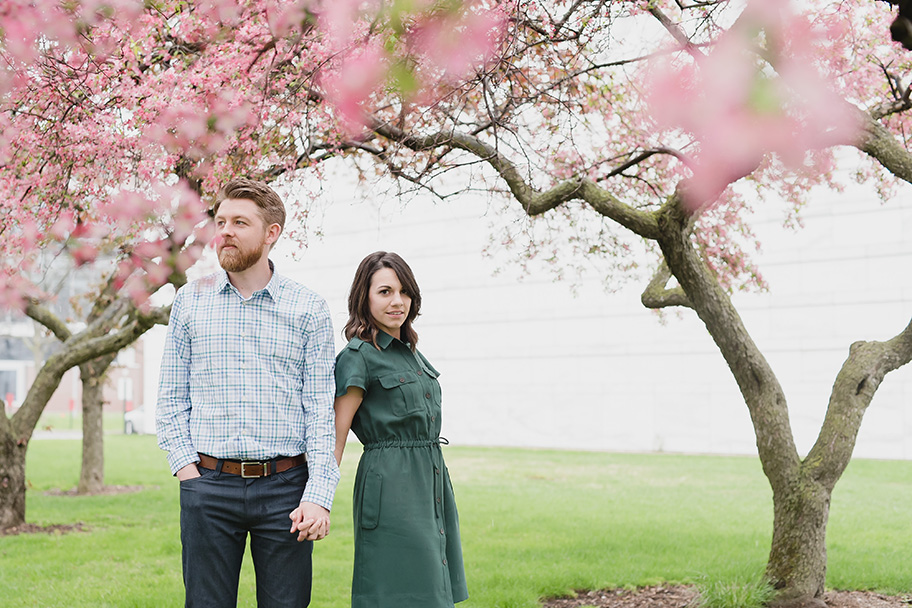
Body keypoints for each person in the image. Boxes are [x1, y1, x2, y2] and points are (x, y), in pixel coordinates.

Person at [156, 177, 339, 608]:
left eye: (240, 222)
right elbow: (170, 398)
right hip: (208, 487)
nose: (226, 232)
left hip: (286, 490)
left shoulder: (308, 308)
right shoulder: (189, 301)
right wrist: (188, 473)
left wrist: (318, 495)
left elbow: (319, 410)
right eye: (221, 222)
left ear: (271, 233)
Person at [314, 251, 467, 607]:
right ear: (364, 299)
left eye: (404, 292)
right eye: (384, 292)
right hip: (390, 488)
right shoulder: (358, 356)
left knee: (434, 585)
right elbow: (336, 435)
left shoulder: (412, 353)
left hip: (430, 482)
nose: (397, 301)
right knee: (397, 590)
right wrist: (318, 499)